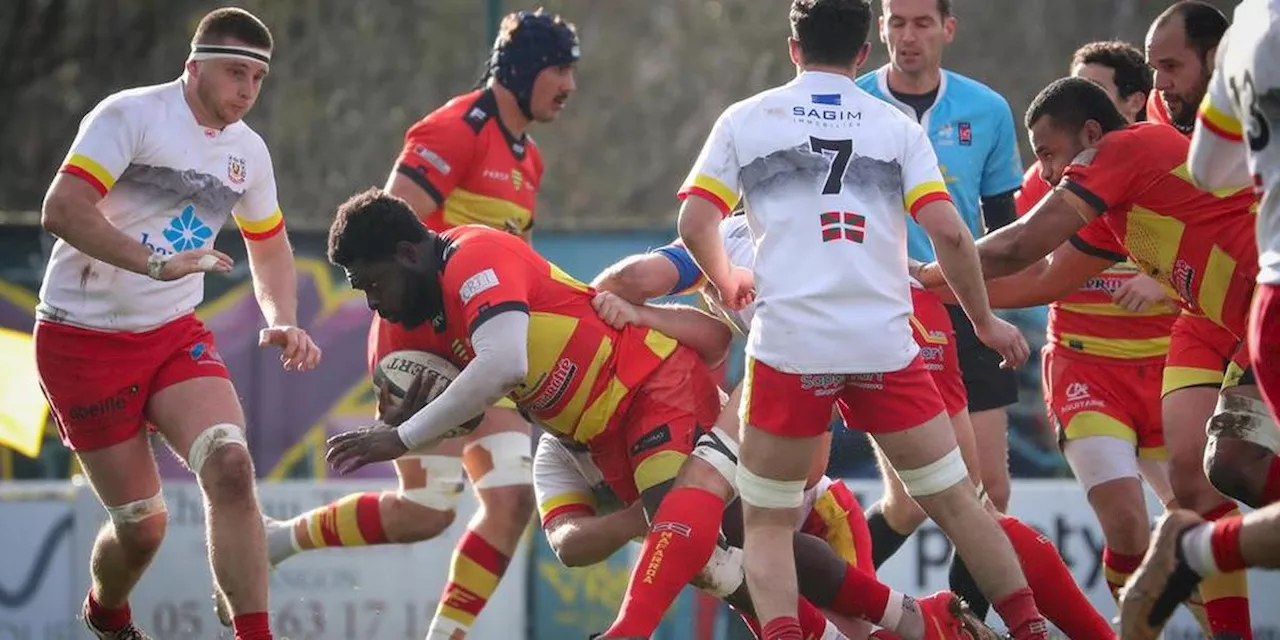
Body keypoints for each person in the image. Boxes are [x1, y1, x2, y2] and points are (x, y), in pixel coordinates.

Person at [324, 189, 985, 640]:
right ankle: (915, 617)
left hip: (647, 381)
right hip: (598, 430)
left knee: (687, 514)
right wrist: (422, 415)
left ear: (409, 253)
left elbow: (500, 365)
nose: (375, 303)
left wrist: (402, 435)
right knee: (724, 547)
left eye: (374, 285)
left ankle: (631, 631)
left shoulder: (476, 258)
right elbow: (476, 408)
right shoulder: (413, 319)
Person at [675, 1, 1048, 638]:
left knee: (767, 523)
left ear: (793, 48)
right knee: (961, 504)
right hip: (884, 344)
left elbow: (694, 222)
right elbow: (953, 236)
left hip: (790, 348)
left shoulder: (746, 118)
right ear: (862, 55)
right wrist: (984, 321)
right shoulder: (894, 126)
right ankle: (1029, 626)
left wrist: (726, 274)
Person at [594, 214, 1112, 638]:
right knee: (940, 503)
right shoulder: (796, 214)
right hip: (907, 311)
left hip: (841, 334)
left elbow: (632, 280)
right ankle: (960, 622)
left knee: (758, 509)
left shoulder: (714, 238)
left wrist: (595, 310)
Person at [912, 75, 1267, 640]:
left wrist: (930, 271)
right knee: (1196, 489)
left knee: (1225, 477)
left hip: (1249, 318)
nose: (1047, 172)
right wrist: (931, 286)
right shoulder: (1112, 202)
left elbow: (1018, 246)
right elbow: (1046, 278)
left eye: (1050, 154)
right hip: (1127, 355)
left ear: (1094, 132)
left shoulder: (1125, 150)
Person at [262, 10, 578, 638]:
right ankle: (282, 543)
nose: (570, 85)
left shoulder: (530, 158)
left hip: (476, 341)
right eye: (561, 70)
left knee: (449, 508)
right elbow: (384, 239)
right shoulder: (455, 128)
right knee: (460, 504)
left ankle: (281, 541)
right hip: (418, 343)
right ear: (522, 70)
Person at [34, 8, 321, 640]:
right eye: (234, 72)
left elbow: (269, 247)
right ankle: (107, 613)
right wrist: (154, 264)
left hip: (170, 333)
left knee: (231, 467)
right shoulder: (129, 115)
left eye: (257, 78)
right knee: (143, 528)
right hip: (80, 340)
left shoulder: (248, 152)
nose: (246, 90)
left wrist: (282, 318)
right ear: (193, 68)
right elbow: (62, 208)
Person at [1005, 41, 1190, 614]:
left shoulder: (1171, 156)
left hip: (1171, 368)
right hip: (1087, 366)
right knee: (1128, 524)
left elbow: (1210, 246)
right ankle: (1133, 626)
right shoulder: (1048, 178)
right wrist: (951, 288)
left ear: (1132, 103)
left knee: (1195, 521)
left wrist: (1162, 283)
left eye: (1096, 92)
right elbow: (1032, 268)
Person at [1121, 3, 1280, 637]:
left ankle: (1192, 553)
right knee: (1204, 467)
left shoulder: (1248, 38)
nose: (1160, 85)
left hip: (1262, 293)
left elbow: (1212, 169)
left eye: (1169, 67)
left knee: (1230, 463)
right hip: (1230, 302)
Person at [855, 5, 1025, 577]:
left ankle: (960, 622)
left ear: (948, 29)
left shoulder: (989, 109)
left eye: (922, 22)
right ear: (880, 29)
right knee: (917, 500)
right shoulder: (848, 102)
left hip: (967, 308)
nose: (908, 36)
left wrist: (997, 308)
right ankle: (826, 601)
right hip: (887, 312)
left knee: (991, 492)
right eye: (896, 22)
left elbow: (1005, 229)